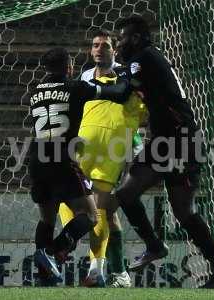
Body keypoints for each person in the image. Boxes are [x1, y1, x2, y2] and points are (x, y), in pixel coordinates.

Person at [113, 16, 214, 288]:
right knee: (126, 193)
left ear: (134, 38)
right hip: (166, 141)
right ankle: (155, 245)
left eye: (121, 37)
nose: (118, 43)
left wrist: (94, 87)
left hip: (180, 141)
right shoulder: (148, 58)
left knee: (181, 211)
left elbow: (122, 92)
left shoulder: (142, 57)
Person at [29, 47, 131, 285]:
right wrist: (125, 78)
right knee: (91, 215)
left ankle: (45, 276)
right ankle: (52, 251)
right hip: (63, 160)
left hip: (36, 159)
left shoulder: (34, 92)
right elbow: (117, 92)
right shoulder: (76, 87)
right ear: (69, 67)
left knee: (47, 219)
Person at [58, 29, 147, 288]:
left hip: (111, 151)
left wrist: (134, 147)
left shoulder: (125, 75)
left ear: (114, 50)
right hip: (83, 149)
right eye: (96, 45)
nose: (99, 49)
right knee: (97, 210)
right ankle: (119, 273)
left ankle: (98, 270)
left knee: (101, 209)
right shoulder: (85, 76)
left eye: (105, 45)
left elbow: (134, 113)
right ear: (90, 50)